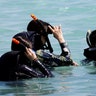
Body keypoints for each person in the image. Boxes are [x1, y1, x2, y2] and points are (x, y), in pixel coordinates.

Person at [11, 15, 78, 67]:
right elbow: (68, 60)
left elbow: (61, 60)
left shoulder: (22, 52)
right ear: (38, 36)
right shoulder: (37, 53)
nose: (46, 41)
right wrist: (60, 38)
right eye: (45, 37)